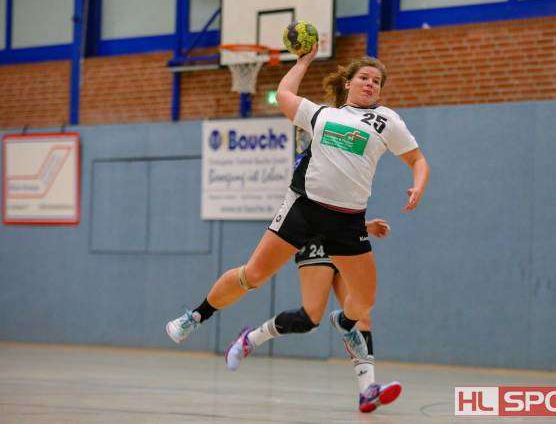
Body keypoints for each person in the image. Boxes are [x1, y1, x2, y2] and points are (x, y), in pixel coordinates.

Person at [166, 43, 429, 406]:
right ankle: (196, 315)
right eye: (364, 78)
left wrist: (418, 184)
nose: (371, 84)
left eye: (377, 81)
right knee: (253, 276)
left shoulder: (387, 121)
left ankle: (346, 327)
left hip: (348, 220)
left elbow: (417, 159)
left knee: (364, 302)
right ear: (348, 83)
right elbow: (284, 94)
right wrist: (304, 60)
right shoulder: (322, 115)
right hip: (304, 210)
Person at [224, 218, 401, 413]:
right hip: (317, 239)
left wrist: (364, 226)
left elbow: (344, 207)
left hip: (345, 239)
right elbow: (319, 208)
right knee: (308, 319)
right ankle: (249, 340)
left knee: (360, 316)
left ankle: (367, 389)